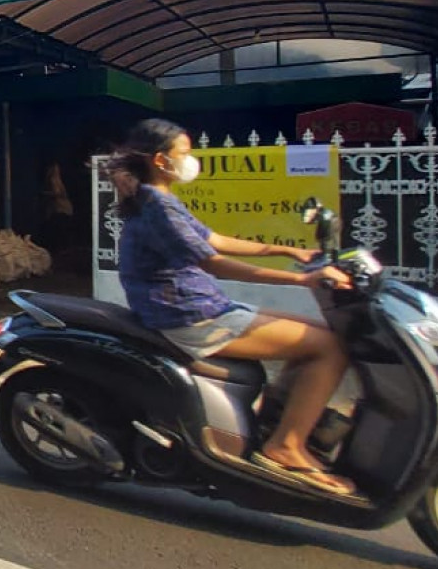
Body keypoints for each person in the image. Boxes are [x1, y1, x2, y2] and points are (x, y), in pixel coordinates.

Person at [108, 118, 357, 495]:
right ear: (161, 160)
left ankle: (277, 426)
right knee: (330, 347)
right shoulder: (158, 206)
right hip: (191, 316)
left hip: (198, 305)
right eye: (185, 154)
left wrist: (286, 250)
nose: (191, 161)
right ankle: (285, 446)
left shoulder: (159, 199)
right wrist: (301, 279)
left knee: (317, 335)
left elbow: (213, 238)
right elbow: (213, 261)